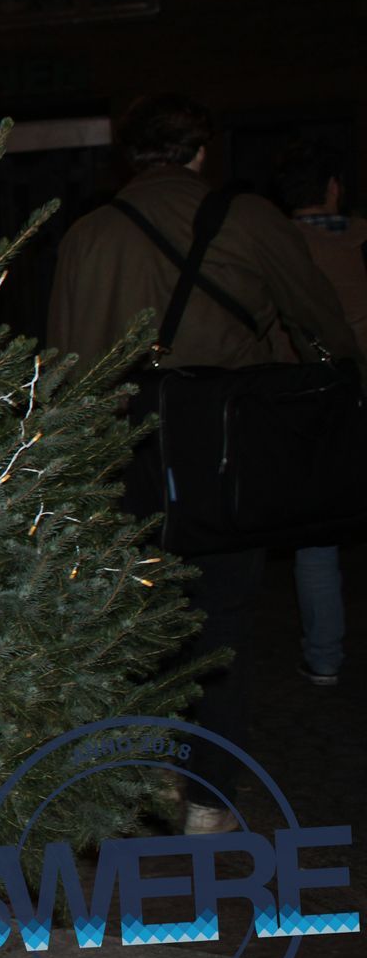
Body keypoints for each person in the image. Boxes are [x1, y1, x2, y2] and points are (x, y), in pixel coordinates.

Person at [46, 96, 356, 832]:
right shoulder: (248, 219)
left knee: (131, 615)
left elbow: (62, 361)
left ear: (131, 155)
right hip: (225, 451)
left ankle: (149, 768)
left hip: (125, 451)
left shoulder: (89, 234)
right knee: (221, 622)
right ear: (200, 151)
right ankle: (209, 797)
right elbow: (320, 322)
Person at [272, 141, 367, 687]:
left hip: (310, 403)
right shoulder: (358, 243)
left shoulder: (275, 247)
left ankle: (325, 657)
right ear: (334, 187)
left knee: (317, 540)